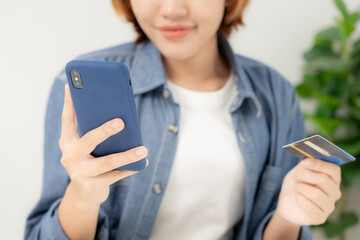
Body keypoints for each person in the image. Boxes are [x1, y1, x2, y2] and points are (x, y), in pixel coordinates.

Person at [25, 0, 343, 239]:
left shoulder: (275, 93)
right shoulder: (80, 86)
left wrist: (289, 216)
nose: (172, 9)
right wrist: (83, 196)